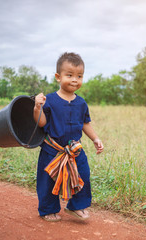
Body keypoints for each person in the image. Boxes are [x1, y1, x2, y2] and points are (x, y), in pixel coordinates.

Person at [33, 52, 104, 222]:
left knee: (83, 175)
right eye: (69, 75)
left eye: (79, 76)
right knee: (47, 180)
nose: (75, 80)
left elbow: (85, 123)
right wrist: (37, 108)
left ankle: (77, 206)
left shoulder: (81, 103)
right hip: (52, 149)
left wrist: (95, 138)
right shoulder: (48, 100)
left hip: (74, 150)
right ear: (58, 77)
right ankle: (48, 209)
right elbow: (41, 122)